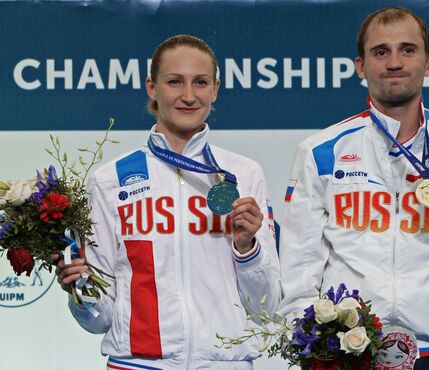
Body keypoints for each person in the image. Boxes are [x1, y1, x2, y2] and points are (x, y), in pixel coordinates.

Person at [278, 7, 429, 370]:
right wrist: (312, 346)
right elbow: (299, 270)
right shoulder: (320, 151)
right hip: (349, 356)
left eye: (408, 50)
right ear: (360, 67)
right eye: (381, 52)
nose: (395, 62)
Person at [54, 35, 280, 370]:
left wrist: (247, 249)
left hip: (223, 363)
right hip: (138, 364)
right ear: (152, 87)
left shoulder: (243, 174)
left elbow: (267, 308)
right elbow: (98, 319)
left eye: (200, 82)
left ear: (215, 89)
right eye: (175, 82)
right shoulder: (110, 180)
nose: (188, 96)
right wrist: (80, 289)